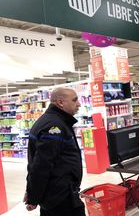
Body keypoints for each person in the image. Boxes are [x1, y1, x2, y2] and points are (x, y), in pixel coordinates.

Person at [24, 87, 85, 216]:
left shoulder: (55, 121)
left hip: (59, 194)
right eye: (74, 100)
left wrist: (31, 190)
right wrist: (33, 195)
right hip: (60, 198)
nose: (79, 104)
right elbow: (41, 166)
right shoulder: (54, 127)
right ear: (60, 103)